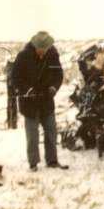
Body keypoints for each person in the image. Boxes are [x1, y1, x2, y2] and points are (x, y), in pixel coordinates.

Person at [11, 31, 67, 171]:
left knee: (51, 132)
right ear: (34, 46)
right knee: (32, 135)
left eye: (45, 50)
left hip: (46, 100)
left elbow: (58, 74)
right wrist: (27, 90)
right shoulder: (23, 56)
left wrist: (54, 87)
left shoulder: (53, 55)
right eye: (40, 50)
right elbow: (15, 79)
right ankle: (33, 163)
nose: (42, 53)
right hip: (29, 102)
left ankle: (52, 161)